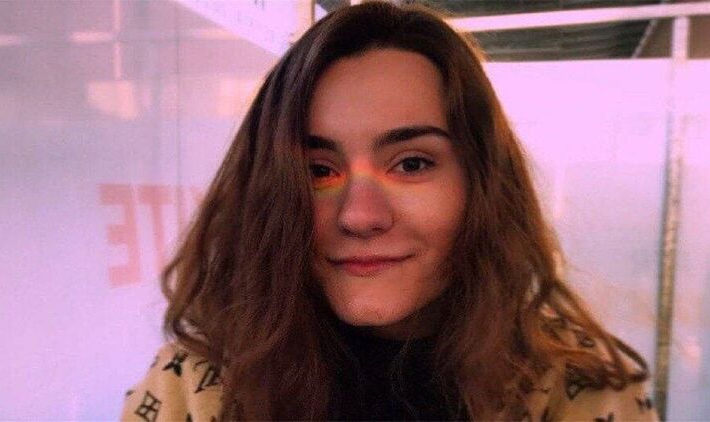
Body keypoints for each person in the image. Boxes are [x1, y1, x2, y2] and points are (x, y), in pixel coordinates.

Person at [121, 1, 658, 420]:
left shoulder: (579, 387)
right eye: (318, 170)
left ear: (482, 185)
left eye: (412, 163)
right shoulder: (193, 384)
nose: (360, 216)